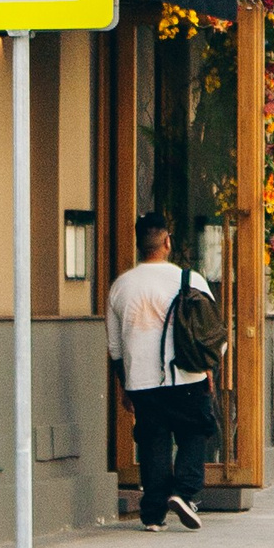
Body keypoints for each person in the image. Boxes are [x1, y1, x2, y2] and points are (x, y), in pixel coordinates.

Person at [105, 212, 215, 530]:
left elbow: (114, 346)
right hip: (186, 375)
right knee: (195, 431)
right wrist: (209, 366)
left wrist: (124, 385)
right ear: (167, 242)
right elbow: (209, 332)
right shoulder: (190, 280)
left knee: (153, 441)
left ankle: (153, 514)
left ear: (140, 245)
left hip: (141, 379)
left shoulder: (120, 287)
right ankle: (183, 492)